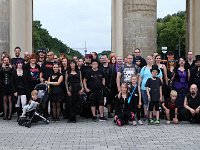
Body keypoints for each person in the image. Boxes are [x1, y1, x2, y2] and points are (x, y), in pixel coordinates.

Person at [138, 56, 163, 120]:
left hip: (154, 89)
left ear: (153, 60)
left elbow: (160, 78)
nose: (149, 60)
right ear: (146, 60)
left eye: (150, 59)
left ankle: (153, 115)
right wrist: (139, 85)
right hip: (144, 87)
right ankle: (146, 115)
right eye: (148, 59)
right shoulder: (144, 68)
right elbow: (140, 77)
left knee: (154, 102)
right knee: (145, 102)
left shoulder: (156, 68)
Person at [1, 56, 13, 120]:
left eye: (7, 60)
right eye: (5, 60)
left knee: (10, 100)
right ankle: (5, 115)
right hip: (4, 86)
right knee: (5, 100)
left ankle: (9, 115)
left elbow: (13, 75)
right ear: (3, 61)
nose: (6, 61)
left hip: (10, 86)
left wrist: (11, 69)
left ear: (9, 61)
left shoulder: (11, 67)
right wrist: (2, 69)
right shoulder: (1, 68)